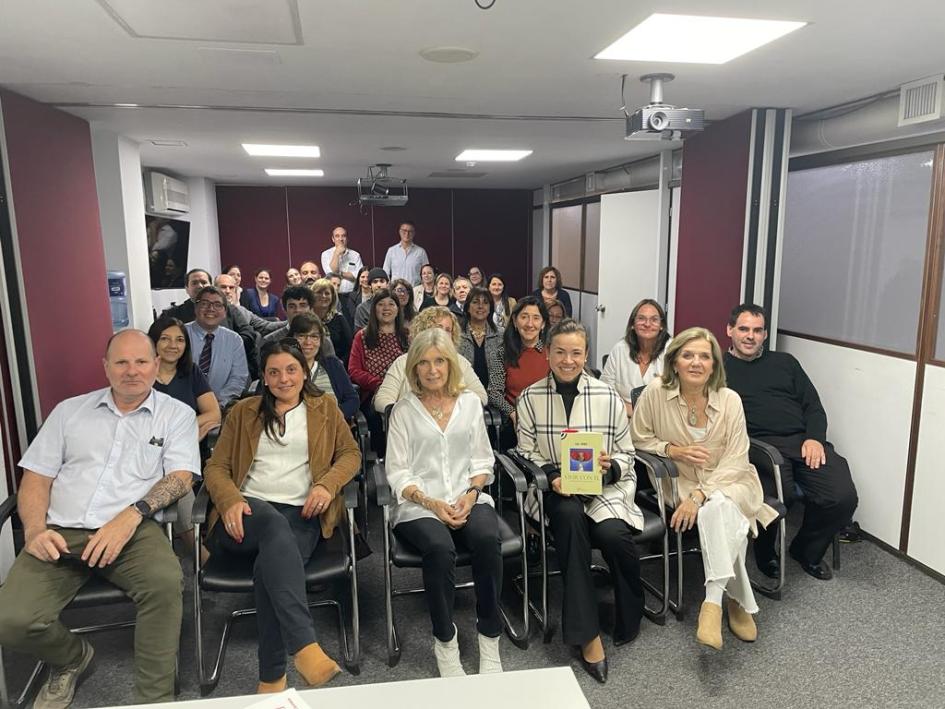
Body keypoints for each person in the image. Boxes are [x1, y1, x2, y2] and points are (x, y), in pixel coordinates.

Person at [0, 330, 200, 705]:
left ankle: (153, 699)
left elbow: (181, 477)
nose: (131, 371)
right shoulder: (69, 412)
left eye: (141, 362)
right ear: (105, 367)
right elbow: (36, 477)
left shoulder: (176, 415)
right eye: (121, 362)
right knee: (9, 619)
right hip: (60, 531)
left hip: (133, 531)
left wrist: (132, 515)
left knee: (164, 582)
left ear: (156, 366)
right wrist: (34, 531)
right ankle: (73, 658)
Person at [203, 339, 361, 694]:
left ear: (304, 372)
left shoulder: (324, 408)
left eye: (291, 369)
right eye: (273, 372)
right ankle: (304, 646)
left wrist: (326, 486)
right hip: (246, 512)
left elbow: (350, 454)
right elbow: (216, 467)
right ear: (264, 376)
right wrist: (228, 500)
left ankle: (271, 678)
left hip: (302, 513)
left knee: (269, 569)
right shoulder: (244, 411)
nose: (283, 379)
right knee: (273, 526)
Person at [631, 327, 778, 651]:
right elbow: (638, 438)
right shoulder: (655, 392)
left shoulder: (730, 400)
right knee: (723, 510)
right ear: (675, 361)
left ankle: (711, 604)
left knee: (718, 504)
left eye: (704, 356)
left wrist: (700, 495)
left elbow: (738, 458)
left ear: (714, 364)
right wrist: (673, 450)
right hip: (679, 479)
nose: (696, 362)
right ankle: (735, 600)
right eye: (688, 355)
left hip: (733, 479)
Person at [516, 319, 644, 684]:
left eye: (576, 352)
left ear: (586, 355)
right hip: (553, 490)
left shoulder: (606, 396)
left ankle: (630, 609)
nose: (568, 360)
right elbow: (525, 452)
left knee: (614, 536)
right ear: (548, 354)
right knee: (570, 519)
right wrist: (552, 477)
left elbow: (627, 452)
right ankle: (588, 637)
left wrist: (609, 469)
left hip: (603, 488)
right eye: (560, 352)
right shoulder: (530, 397)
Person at [385, 328, 503, 677]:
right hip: (418, 505)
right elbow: (397, 471)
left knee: (486, 539)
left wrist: (470, 495)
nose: (432, 369)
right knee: (439, 548)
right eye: (423, 363)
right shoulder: (403, 410)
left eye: (439, 361)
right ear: (414, 369)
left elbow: (483, 461)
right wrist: (432, 503)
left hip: (469, 496)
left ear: (451, 364)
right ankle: (445, 640)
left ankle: (489, 636)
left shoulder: (469, 404)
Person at [723, 303, 858, 581]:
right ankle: (765, 552)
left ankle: (806, 550)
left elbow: (813, 407)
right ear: (730, 331)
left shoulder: (786, 363)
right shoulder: (719, 369)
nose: (750, 336)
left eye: (757, 330)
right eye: (744, 329)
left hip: (802, 441)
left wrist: (815, 438)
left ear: (765, 335)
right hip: (758, 446)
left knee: (842, 496)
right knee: (776, 495)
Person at [375, 306, 488, 413]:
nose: (442, 333)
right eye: (438, 328)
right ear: (424, 329)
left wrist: (454, 410)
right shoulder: (402, 362)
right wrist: (405, 414)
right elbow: (382, 400)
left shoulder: (461, 362)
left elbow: (481, 396)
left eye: (448, 330)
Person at [162, 268, 259, 378]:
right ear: (187, 289)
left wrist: (227, 346)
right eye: (194, 283)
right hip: (186, 371)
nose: (200, 286)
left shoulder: (229, 309)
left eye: (204, 282)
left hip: (228, 369)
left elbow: (248, 332)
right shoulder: (173, 314)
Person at [348, 289, 409, 456]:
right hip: (375, 392)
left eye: (391, 304)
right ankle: (384, 459)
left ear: (398, 309)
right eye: (381, 304)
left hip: (405, 391)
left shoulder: (407, 335)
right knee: (379, 415)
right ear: (374, 309)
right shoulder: (362, 336)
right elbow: (354, 370)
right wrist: (379, 384)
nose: (386, 308)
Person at [601, 299, 672, 417]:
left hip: (660, 419)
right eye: (641, 318)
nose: (647, 324)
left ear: (661, 326)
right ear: (632, 324)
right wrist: (629, 411)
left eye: (654, 319)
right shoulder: (620, 349)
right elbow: (605, 391)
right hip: (623, 417)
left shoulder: (672, 351)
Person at [185, 286, 249, 407]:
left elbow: (238, 378)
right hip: (182, 406)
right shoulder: (180, 334)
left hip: (221, 407)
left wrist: (216, 404)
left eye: (217, 305)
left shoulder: (234, 340)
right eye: (205, 303)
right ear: (195, 307)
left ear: (225, 312)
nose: (211, 309)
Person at [287, 313, 359, 419]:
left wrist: (335, 417)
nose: (308, 342)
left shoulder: (333, 365)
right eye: (301, 336)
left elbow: (352, 399)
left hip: (332, 428)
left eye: (314, 336)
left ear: (321, 341)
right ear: (292, 338)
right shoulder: (280, 368)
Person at [457, 288, 506, 416]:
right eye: (475, 302)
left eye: (485, 302)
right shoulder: (456, 334)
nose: (480, 306)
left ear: (490, 308)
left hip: (496, 401)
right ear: (467, 307)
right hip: (463, 400)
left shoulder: (501, 335)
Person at [215, 273, 284, 339]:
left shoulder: (242, 311)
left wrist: (290, 322)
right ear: (215, 289)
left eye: (231, 288)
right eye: (223, 287)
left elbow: (265, 326)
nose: (228, 291)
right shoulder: (210, 313)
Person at [311, 278, 353, 369]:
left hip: (336, 367)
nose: (323, 296)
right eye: (319, 292)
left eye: (327, 293)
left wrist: (340, 364)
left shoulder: (339, 319)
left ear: (332, 297)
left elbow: (350, 348)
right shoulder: (306, 319)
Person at [320, 226, 363, 295]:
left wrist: (340, 273)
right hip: (334, 294)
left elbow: (359, 276)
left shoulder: (355, 255)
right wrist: (336, 254)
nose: (341, 239)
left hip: (352, 294)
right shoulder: (326, 254)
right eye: (337, 236)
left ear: (347, 239)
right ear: (333, 239)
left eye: (343, 236)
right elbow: (331, 274)